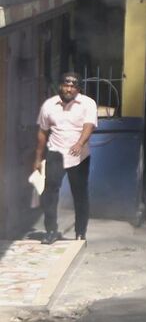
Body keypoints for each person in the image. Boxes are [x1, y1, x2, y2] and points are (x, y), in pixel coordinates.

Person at [32, 73, 98, 242]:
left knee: (80, 193)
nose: (69, 89)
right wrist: (38, 158)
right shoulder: (49, 105)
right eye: (66, 85)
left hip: (79, 156)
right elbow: (42, 132)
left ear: (78, 88)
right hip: (55, 152)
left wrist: (80, 143)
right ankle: (51, 231)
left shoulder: (88, 103)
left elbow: (89, 125)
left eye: (73, 86)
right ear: (60, 86)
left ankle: (80, 232)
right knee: (50, 192)